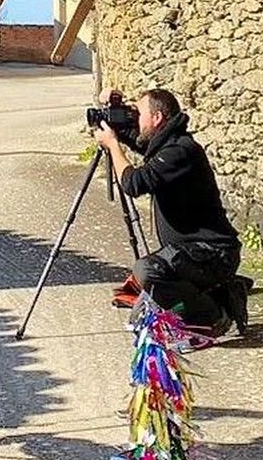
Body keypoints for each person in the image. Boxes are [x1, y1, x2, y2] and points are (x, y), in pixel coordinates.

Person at [92, 88, 248, 337]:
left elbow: (134, 183)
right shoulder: (169, 144)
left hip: (213, 255)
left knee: (147, 271)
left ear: (157, 118)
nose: (135, 119)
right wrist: (115, 121)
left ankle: (215, 314)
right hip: (192, 254)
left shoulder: (181, 151)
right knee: (141, 313)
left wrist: (112, 145)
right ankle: (217, 293)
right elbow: (142, 142)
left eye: (138, 114)